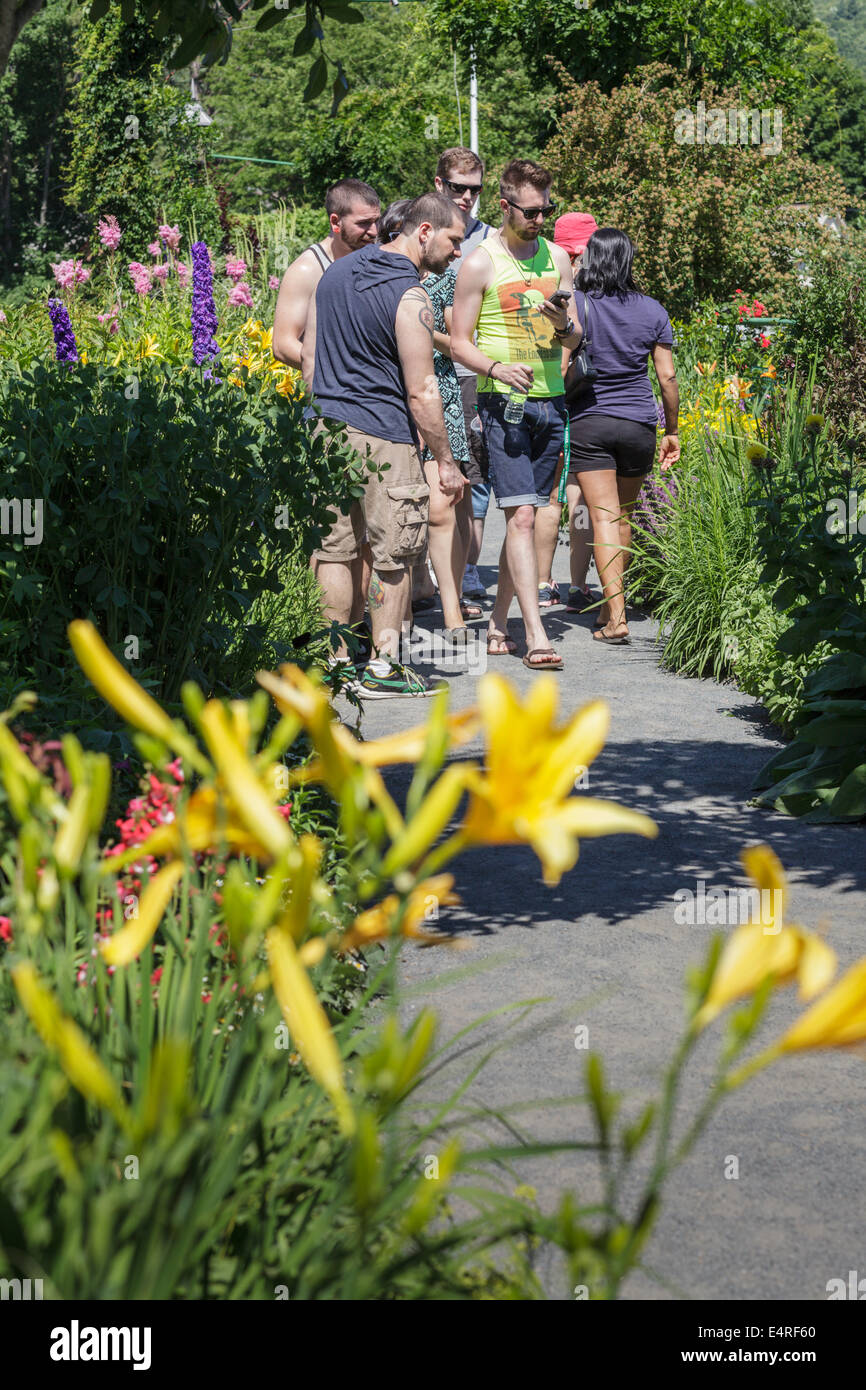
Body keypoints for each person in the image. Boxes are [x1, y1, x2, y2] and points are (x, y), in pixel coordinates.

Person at [301, 192, 468, 697]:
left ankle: (333, 662)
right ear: (423, 232)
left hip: (325, 429)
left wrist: (320, 418)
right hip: (384, 436)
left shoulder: (333, 274)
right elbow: (421, 390)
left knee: (333, 551)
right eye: (453, 241)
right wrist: (445, 460)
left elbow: (309, 357)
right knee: (395, 554)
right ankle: (382, 667)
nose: (457, 252)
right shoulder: (410, 296)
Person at [451, 158, 582, 669]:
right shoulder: (480, 262)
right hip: (502, 405)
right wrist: (497, 367)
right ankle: (536, 635)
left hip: (550, 402)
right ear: (505, 206)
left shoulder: (557, 259)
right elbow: (458, 343)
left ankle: (498, 620)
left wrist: (563, 324)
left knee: (529, 517)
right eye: (531, 211)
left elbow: (574, 336)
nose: (540, 219)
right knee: (522, 517)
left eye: (547, 209)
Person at [272, 178, 380, 647]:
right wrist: (338, 365)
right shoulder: (308, 268)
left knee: (371, 536)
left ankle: (358, 632)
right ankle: (325, 641)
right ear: (335, 222)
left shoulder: (373, 260)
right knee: (333, 536)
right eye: (363, 224)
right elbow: (282, 343)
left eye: (377, 221)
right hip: (328, 413)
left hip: (375, 411)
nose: (374, 231)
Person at [565, 226, 680, 645]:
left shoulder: (577, 305)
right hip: (638, 425)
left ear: (590, 260)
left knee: (602, 518)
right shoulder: (653, 310)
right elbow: (666, 377)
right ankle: (617, 606)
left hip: (590, 422)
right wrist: (672, 430)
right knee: (623, 517)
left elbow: (561, 366)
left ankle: (615, 616)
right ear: (628, 260)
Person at [534, 212, 600, 614]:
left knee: (549, 496)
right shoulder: (584, 295)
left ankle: (543, 583)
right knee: (575, 497)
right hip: (576, 403)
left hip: (544, 398)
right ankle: (577, 585)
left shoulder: (541, 281)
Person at [434, 147, 492, 602]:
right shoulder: (422, 230)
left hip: (472, 370)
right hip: (426, 367)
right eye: (459, 187)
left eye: (475, 188)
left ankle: (467, 567)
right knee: (430, 474)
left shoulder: (491, 240)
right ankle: (427, 568)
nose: (468, 196)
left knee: (473, 473)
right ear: (440, 185)